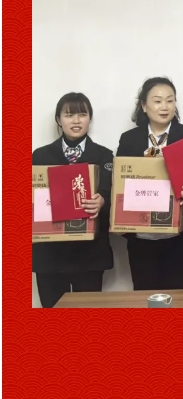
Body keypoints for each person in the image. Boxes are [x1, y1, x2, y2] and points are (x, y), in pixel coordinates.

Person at [116, 77, 183, 291]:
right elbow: (119, 183)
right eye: (157, 101)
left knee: (179, 298)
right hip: (141, 237)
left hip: (178, 237)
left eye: (170, 100)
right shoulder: (129, 139)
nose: (164, 107)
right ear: (144, 105)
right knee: (144, 296)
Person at [32, 92, 113, 308]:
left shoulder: (104, 156)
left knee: (88, 319)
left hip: (89, 255)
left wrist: (102, 201)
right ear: (59, 120)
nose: (76, 121)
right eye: (69, 115)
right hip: (49, 255)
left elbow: (115, 195)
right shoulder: (39, 157)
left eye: (82, 114)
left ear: (89, 119)